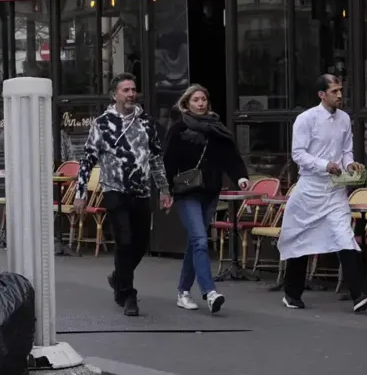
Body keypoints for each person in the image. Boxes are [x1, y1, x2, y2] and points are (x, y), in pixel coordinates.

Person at [278, 74, 367, 312]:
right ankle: (291, 294)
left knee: (344, 236)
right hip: (309, 189)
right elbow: (298, 154)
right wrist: (326, 165)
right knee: (300, 240)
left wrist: (350, 165)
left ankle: (359, 295)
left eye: (340, 90)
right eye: (334, 91)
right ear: (321, 94)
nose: (339, 95)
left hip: (335, 190)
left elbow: (346, 151)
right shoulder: (306, 119)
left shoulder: (345, 119)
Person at [74, 73, 172, 317]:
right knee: (124, 241)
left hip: (141, 191)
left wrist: (164, 188)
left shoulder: (146, 123)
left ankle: (118, 277)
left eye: (133, 89)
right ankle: (128, 294)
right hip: (115, 190)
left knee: (140, 244)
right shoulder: (102, 123)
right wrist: (80, 192)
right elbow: (88, 159)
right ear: (114, 94)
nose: (130, 94)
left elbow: (156, 158)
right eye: (125, 90)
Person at [163, 85, 250, 314]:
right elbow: (167, 162)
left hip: (210, 191)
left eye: (203, 99)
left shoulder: (217, 129)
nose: (200, 103)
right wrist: (166, 190)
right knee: (201, 240)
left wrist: (241, 177)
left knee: (195, 242)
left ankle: (183, 291)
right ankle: (210, 292)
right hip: (186, 193)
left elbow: (231, 156)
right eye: (195, 100)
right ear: (186, 104)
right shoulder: (179, 130)